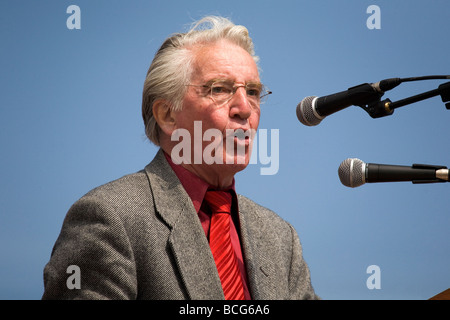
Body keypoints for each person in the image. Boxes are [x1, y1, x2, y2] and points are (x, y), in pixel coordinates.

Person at [42, 16, 317, 300]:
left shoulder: (280, 237)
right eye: (219, 89)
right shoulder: (111, 218)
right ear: (167, 115)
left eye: (253, 92)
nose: (244, 108)